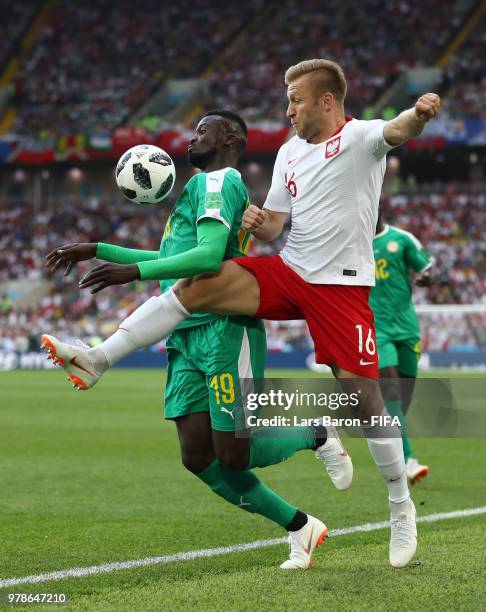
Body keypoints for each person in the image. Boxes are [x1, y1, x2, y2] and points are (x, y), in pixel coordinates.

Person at [43, 59, 442, 568]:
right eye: (286, 99)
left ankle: (400, 505)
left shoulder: (362, 136)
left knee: (364, 402)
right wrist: (262, 221)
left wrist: (419, 113)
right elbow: (275, 225)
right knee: (201, 284)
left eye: (295, 99)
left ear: (326, 100)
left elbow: (398, 130)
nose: (288, 109)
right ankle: (100, 357)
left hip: (341, 289)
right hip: (289, 271)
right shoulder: (289, 153)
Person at [44, 109, 352, 570]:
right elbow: (176, 257)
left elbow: (207, 260)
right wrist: (101, 248)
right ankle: (301, 527)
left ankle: (317, 433)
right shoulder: (198, 188)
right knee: (198, 456)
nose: (190, 139)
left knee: (235, 453)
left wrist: (132, 272)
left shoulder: (220, 181)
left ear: (229, 138)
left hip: (225, 329)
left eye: (202, 131)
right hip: (184, 334)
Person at [371, 214, 435, 484]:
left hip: (407, 328)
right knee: (392, 391)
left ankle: (385, 431)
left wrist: (425, 278)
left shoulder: (401, 239)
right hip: (377, 329)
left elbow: (428, 268)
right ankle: (407, 459)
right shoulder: (352, 243)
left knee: (401, 400)